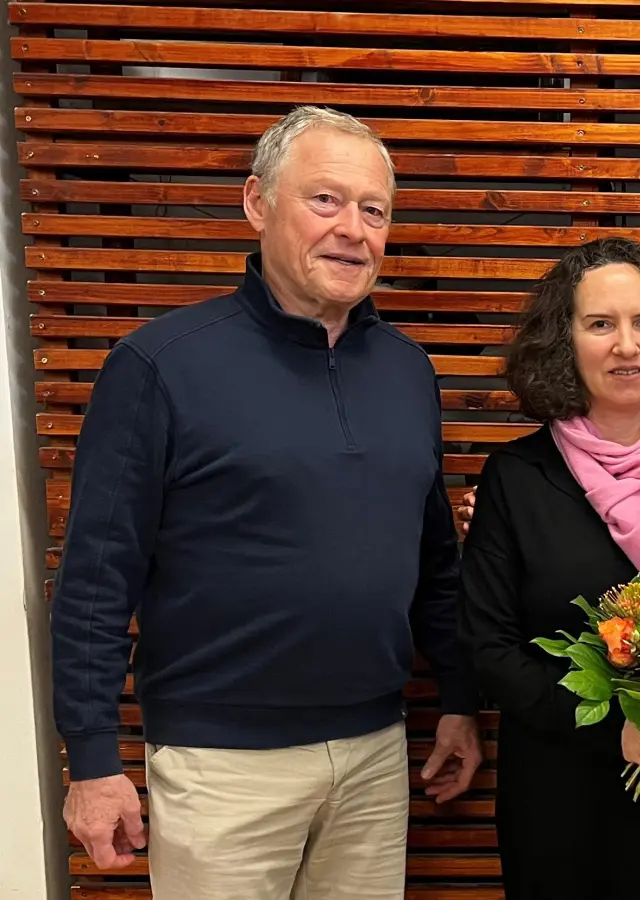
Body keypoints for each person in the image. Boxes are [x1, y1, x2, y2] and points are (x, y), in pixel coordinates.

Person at [50, 106, 482, 898]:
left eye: (374, 210)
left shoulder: (408, 371)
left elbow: (433, 564)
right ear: (257, 202)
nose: (352, 230)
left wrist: (459, 698)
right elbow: (95, 578)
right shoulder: (159, 364)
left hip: (373, 755)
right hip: (219, 767)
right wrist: (93, 760)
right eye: (325, 200)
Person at [455, 237, 640, 900]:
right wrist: (614, 727)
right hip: (563, 799)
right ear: (564, 341)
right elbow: (489, 646)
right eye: (599, 324)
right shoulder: (517, 477)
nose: (626, 345)